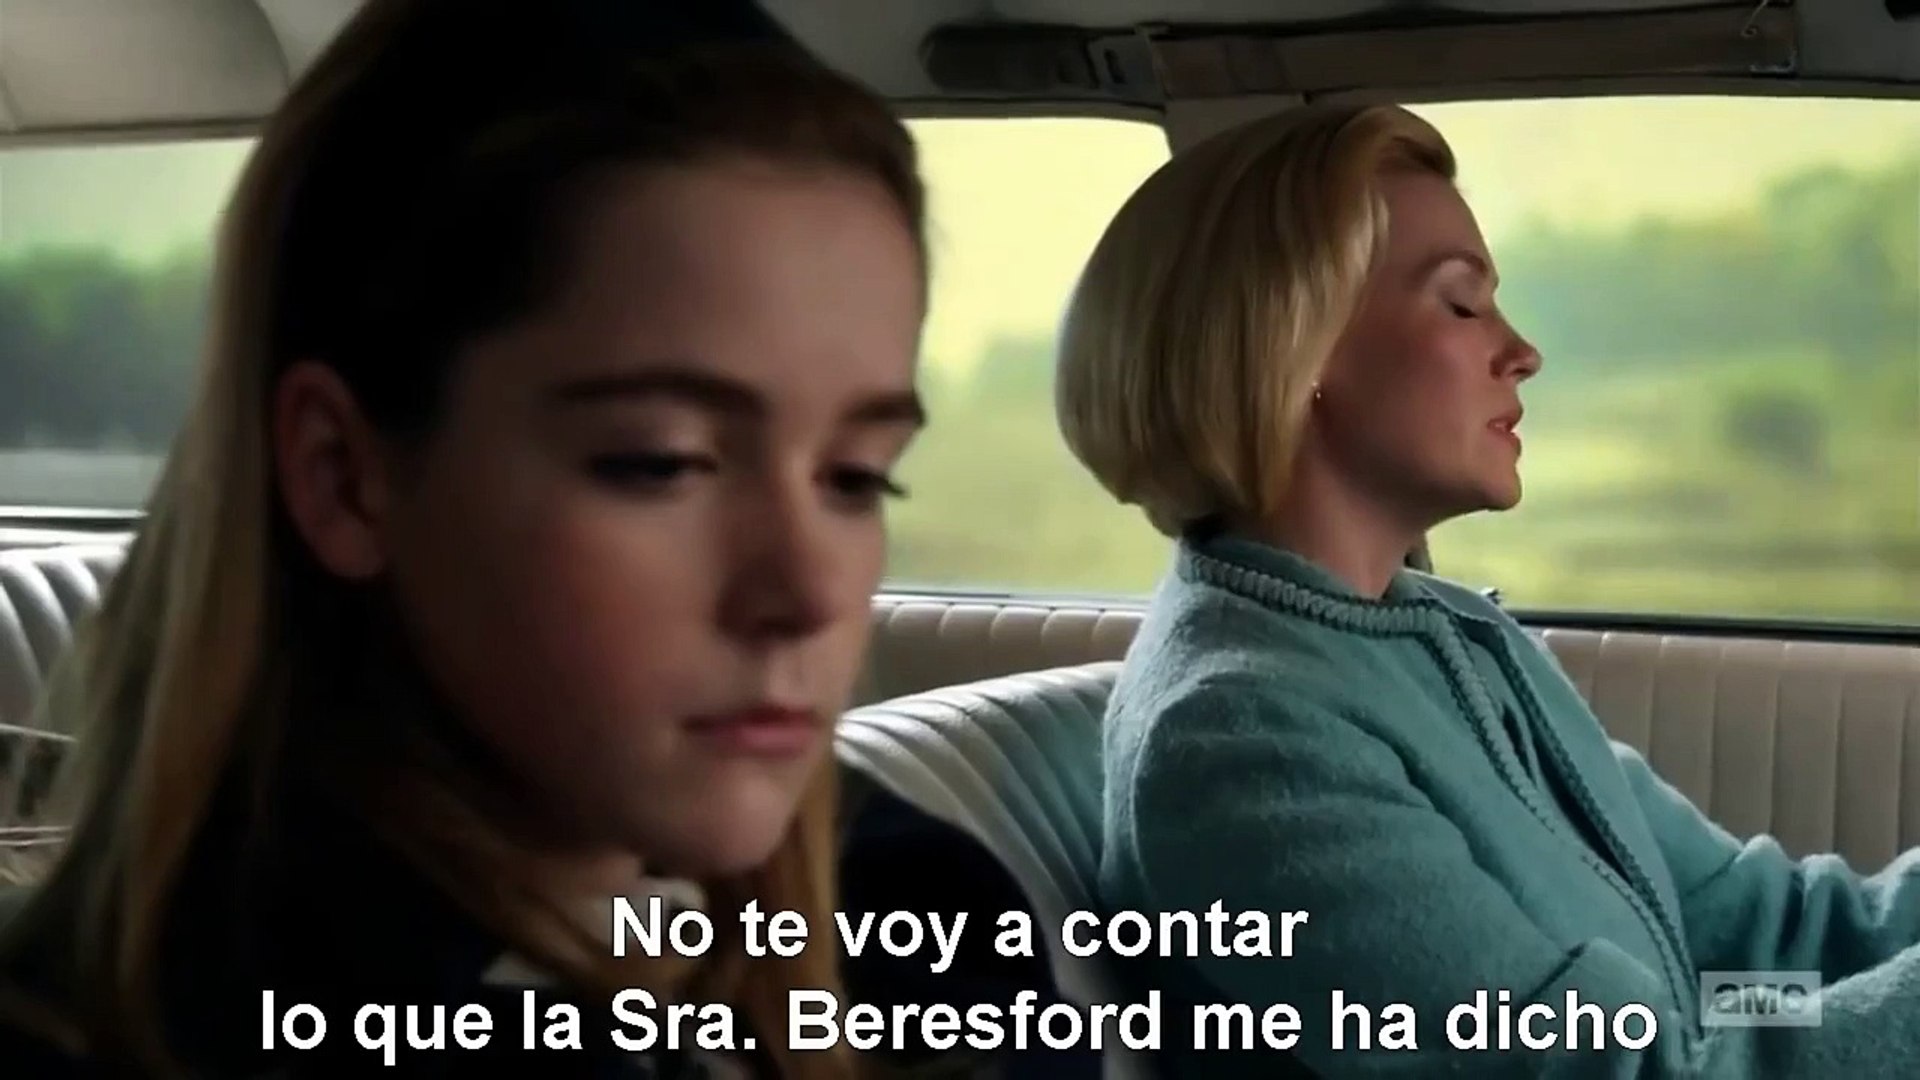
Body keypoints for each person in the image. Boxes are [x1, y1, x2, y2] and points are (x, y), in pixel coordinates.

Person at [0, 0, 928, 1076]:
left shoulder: (920, 935)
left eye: (857, 476)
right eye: (658, 462)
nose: (809, 590)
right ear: (344, 478)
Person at [1054, 99, 1920, 1077]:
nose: (1523, 353)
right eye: (1462, 305)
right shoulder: (1240, 743)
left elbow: (1752, 945)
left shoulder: (1456, 638)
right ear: (1294, 349)